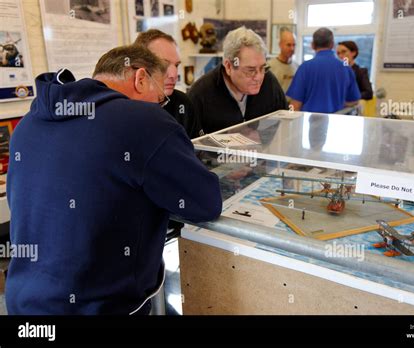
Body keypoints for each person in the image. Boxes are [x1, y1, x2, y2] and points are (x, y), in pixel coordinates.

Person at [6, 45, 222, 315]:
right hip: (101, 306)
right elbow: (205, 202)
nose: (160, 106)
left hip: (24, 303)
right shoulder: (145, 121)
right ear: (140, 78)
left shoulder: (29, 123)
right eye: (159, 99)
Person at [188, 26, 288, 134]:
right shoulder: (199, 95)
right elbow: (186, 145)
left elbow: (286, 123)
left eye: (263, 68)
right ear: (229, 66)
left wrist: (263, 139)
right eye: (250, 70)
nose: (259, 77)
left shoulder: (269, 82)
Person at [134, 29, 203, 139]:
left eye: (176, 65)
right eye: (163, 65)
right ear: (140, 66)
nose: (174, 75)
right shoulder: (124, 108)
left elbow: (197, 151)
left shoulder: (183, 102)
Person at [287, 28, 361, 113]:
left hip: (309, 123)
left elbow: (295, 105)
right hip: (336, 122)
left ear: (313, 45)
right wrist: (338, 103)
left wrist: (291, 120)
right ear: (332, 45)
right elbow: (354, 100)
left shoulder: (305, 68)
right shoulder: (346, 68)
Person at [267, 28, 299, 98]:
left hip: (291, 106)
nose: (292, 48)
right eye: (288, 45)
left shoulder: (297, 67)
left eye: (294, 45)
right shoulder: (269, 66)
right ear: (280, 45)